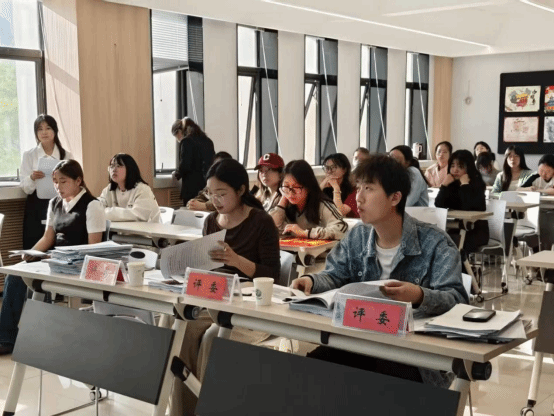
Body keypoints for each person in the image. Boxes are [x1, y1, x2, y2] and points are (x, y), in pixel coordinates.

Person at [291, 154, 467, 386]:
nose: (359, 197)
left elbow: (457, 300)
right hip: (359, 342)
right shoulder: (358, 236)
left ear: (395, 197)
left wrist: (419, 296)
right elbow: (334, 275)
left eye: (369, 188)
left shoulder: (436, 244)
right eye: (358, 188)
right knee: (309, 372)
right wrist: (312, 282)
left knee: (377, 379)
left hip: (415, 355)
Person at [171, 159, 280, 415]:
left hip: (251, 309)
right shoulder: (211, 221)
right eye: (211, 194)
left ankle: (209, 409)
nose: (215, 200)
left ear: (241, 190)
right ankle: (182, 411)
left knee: (214, 337)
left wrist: (236, 260)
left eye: (221, 194)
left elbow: (272, 276)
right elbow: (205, 269)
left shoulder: (261, 222)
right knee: (182, 329)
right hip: (215, 302)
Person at [0, 160, 106, 354]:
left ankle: (45, 334)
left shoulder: (92, 206)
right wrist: (29, 254)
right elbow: (48, 238)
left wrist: (60, 257)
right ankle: (7, 338)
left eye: (63, 181)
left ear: (78, 181)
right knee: (14, 275)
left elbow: (94, 248)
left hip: (78, 264)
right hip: (54, 259)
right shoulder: (54, 203)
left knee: (36, 281)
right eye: (55, 182)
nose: (58, 186)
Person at [20, 114, 74, 249]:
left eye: (48, 128)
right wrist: (32, 177)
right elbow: (25, 187)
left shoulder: (66, 155)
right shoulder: (29, 155)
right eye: (40, 129)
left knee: (59, 241)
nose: (44, 132)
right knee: (34, 241)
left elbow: (74, 182)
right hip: (36, 204)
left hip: (60, 203)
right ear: (36, 133)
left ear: (55, 131)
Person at [270, 160, 348, 240]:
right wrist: (282, 202)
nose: (290, 193)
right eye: (286, 186)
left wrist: (306, 233)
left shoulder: (322, 205)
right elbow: (269, 228)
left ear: (308, 186)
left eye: (296, 187)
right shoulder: (284, 205)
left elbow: (341, 228)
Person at [435, 150, 489, 253]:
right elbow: (439, 204)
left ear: (469, 167)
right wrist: (444, 186)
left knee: (455, 245)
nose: (455, 170)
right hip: (458, 228)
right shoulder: (452, 184)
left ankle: (461, 264)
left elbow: (468, 207)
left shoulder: (478, 184)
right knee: (438, 241)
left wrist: (465, 185)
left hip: (476, 231)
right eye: (452, 166)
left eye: (460, 166)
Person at [98, 153, 160, 222]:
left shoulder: (142, 189)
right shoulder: (109, 189)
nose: (114, 169)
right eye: (112, 166)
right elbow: (97, 206)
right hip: (122, 228)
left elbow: (137, 215)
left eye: (118, 166)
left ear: (130, 169)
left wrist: (106, 212)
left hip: (148, 228)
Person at [171, 117, 215, 206]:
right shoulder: (208, 141)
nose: (177, 139)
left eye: (176, 136)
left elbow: (185, 165)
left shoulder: (186, 141)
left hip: (191, 187)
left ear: (180, 131)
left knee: (191, 209)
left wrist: (177, 173)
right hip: (207, 186)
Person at [320, 153, 359, 217]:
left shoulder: (353, 191)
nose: (329, 171)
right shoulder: (325, 188)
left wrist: (336, 188)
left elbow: (339, 212)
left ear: (344, 170)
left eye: (333, 167)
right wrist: (320, 187)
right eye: (327, 168)